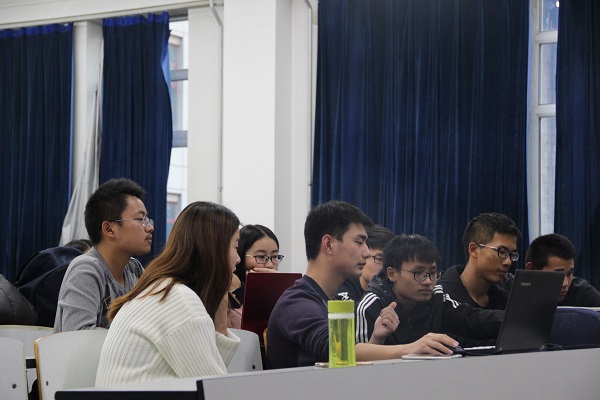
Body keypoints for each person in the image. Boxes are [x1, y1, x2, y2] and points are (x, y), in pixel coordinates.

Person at [267, 200, 477, 370]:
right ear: (329, 244)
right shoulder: (297, 302)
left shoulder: (329, 300)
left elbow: (346, 366)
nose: (366, 252)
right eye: (359, 242)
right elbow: (339, 351)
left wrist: (376, 339)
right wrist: (412, 348)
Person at [95, 202, 241, 386]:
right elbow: (215, 389)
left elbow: (211, 377)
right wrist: (220, 327)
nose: (238, 259)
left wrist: (219, 326)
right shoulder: (180, 300)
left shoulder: (163, 288)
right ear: (215, 250)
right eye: (235, 246)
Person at [356, 234, 503, 349]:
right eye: (418, 273)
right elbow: (360, 364)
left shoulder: (437, 296)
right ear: (392, 274)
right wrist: (379, 338)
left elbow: (472, 320)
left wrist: (512, 320)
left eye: (432, 273)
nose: (427, 281)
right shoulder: (371, 306)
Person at [54, 178, 150, 332]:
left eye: (147, 219)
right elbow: (77, 337)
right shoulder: (86, 270)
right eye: (140, 219)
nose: (149, 227)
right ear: (109, 229)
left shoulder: (135, 269)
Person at [438, 213, 521, 310]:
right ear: (473, 249)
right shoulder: (440, 298)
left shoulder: (506, 302)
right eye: (502, 252)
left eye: (512, 254)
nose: (508, 262)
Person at [228, 224, 283, 328]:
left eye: (275, 256)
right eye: (261, 256)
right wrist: (240, 289)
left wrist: (280, 287)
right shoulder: (228, 291)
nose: (270, 265)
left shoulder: (282, 294)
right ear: (240, 256)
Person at [525, 233, 600, 307]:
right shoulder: (518, 295)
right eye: (557, 275)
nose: (565, 284)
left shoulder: (582, 293)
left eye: (569, 274)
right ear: (532, 269)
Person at [334, 224, 395, 303]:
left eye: (390, 261)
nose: (385, 268)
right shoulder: (343, 285)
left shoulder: (395, 289)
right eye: (379, 259)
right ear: (364, 256)